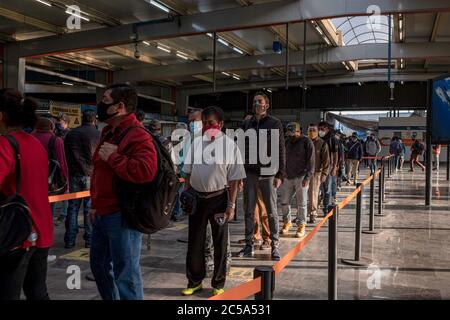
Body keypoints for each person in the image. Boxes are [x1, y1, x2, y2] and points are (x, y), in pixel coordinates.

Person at [89, 83, 158, 300]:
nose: (100, 105)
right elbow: (100, 172)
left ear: (119, 106)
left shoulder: (137, 135)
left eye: (105, 101)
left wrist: (115, 158)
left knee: (126, 276)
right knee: (99, 267)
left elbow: (147, 171)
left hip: (122, 216)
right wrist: (95, 204)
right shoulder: (109, 131)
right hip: (102, 212)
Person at [181, 106, 245, 296]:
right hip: (197, 200)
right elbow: (188, 171)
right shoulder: (196, 143)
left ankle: (218, 283)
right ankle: (194, 281)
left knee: (220, 244)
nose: (207, 126)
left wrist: (231, 205)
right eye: (204, 123)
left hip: (219, 199)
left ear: (221, 124)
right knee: (195, 243)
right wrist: (185, 195)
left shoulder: (230, 146)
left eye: (211, 123)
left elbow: (234, 179)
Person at [0, 89, 53, 300]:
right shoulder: (35, 144)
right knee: (37, 293)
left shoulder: (5, 143)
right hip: (41, 231)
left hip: (16, 235)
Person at [239, 92, 286, 260]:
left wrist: (281, 173)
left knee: (271, 211)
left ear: (266, 105)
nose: (256, 104)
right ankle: (249, 244)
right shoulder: (246, 123)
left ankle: (275, 245)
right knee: (249, 211)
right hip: (249, 172)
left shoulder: (274, 123)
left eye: (260, 101)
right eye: (254, 102)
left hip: (268, 172)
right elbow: (241, 148)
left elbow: (281, 148)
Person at [63, 110, 100, 249]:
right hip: (91, 175)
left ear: (81, 118)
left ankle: (70, 239)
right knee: (88, 207)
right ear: (94, 120)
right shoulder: (97, 134)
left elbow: (66, 154)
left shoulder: (71, 134)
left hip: (74, 175)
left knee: (72, 208)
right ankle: (89, 239)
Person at [32, 117, 69, 224]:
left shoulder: (30, 138)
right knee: (49, 205)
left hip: (31, 179)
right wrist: (66, 182)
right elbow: (62, 162)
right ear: (51, 127)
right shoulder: (56, 140)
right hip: (50, 179)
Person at [280, 122, 314, 237]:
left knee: (302, 203)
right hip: (288, 176)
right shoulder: (287, 142)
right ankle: (287, 222)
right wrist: (282, 172)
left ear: (299, 132)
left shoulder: (306, 142)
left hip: (301, 177)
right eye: (289, 134)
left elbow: (311, 161)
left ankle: (301, 225)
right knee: (284, 201)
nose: (290, 136)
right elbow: (282, 158)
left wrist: (308, 177)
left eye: (293, 134)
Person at [307, 124, 330, 224]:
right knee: (302, 195)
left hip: (315, 172)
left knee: (313, 194)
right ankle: (302, 214)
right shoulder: (304, 141)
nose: (312, 132)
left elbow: (326, 161)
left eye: (314, 130)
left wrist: (324, 173)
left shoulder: (322, 143)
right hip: (302, 172)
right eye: (310, 130)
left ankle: (312, 214)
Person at [317, 122, 338, 215]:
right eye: (319, 128)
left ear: (327, 129)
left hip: (328, 167)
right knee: (317, 189)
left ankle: (326, 209)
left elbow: (336, 154)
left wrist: (334, 167)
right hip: (317, 167)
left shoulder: (332, 139)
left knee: (327, 189)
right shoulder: (316, 138)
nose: (320, 130)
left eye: (322, 128)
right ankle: (314, 209)